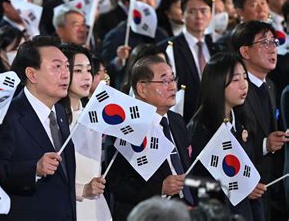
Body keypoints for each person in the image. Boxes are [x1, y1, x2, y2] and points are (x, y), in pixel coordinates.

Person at [0, 36, 76, 220]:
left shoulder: (60, 112)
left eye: (66, 66)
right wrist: (33, 169)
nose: (66, 74)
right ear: (32, 74)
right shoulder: (4, 116)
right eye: (57, 66)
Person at [107, 55, 194, 220]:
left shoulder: (177, 121)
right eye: (164, 81)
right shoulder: (125, 127)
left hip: (184, 210)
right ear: (142, 89)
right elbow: (116, 183)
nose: (172, 87)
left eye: (173, 79)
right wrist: (159, 188)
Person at [187, 52, 265, 221]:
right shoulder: (200, 129)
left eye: (245, 77)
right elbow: (193, 182)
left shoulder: (242, 120)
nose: (244, 85)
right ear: (217, 84)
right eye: (236, 80)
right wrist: (241, 188)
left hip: (247, 211)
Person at [231, 20, 288, 220]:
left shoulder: (271, 85)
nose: (272, 48)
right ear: (245, 52)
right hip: (250, 189)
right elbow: (229, 143)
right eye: (265, 43)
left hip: (275, 186)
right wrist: (265, 144)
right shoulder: (235, 90)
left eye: (274, 42)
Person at [59, 43, 111, 220]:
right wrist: (82, 189)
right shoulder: (54, 119)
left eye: (89, 70)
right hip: (67, 208)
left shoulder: (94, 115)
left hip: (95, 208)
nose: (86, 77)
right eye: (78, 71)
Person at [158, 0, 219, 122]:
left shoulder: (217, 47)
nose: (198, 16)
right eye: (191, 11)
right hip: (184, 118)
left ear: (211, 14)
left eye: (203, 11)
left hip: (215, 118)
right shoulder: (168, 48)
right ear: (182, 15)